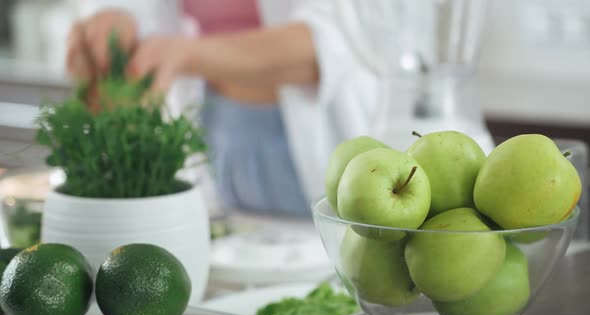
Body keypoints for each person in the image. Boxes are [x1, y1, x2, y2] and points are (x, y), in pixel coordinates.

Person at [67, 1, 494, 216]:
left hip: (327, 137)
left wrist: (187, 53)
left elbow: (340, 41)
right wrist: (117, 16)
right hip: (217, 129)